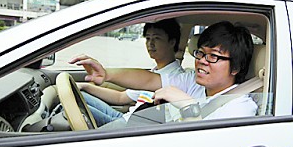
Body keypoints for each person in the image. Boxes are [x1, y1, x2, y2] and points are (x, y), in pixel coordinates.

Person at [72, 21, 257, 123]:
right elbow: (149, 80)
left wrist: (187, 105)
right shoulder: (193, 80)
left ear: (236, 67)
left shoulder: (240, 108)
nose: (202, 61)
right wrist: (107, 74)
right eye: (200, 53)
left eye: (213, 56)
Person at [80, 18, 184, 126]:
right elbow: (120, 97)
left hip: (133, 126)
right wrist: (85, 86)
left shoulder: (176, 79)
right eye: (148, 38)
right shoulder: (155, 72)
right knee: (80, 97)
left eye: (156, 38)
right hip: (125, 117)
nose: (150, 43)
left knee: (74, 112)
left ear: (172, 42)